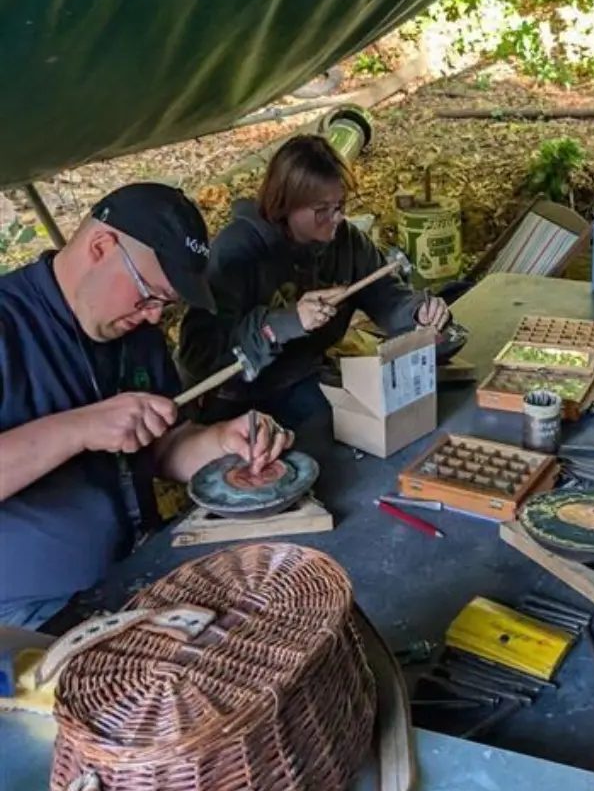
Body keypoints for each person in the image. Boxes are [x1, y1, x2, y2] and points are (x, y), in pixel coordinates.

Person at [0, 185, 292, 631]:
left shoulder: (136, 332)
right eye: (148, 294)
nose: (155, 316)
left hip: (142, 574)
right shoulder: (8, 327)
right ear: (101, 247)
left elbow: (159, 447)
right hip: (28, 617)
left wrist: (218, 442)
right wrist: (78, 428)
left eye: (165, 304)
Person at [178, 135, 451, 439]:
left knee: (361, 437)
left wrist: (416, 313)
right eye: (322, 209)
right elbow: (199, 353)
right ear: (285, 203)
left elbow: (385, 294)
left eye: (340, 205)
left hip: (300, 380)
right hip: (236, 398)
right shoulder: (238, 251)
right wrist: (283, 323)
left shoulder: (346, 242)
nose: (336, 218)